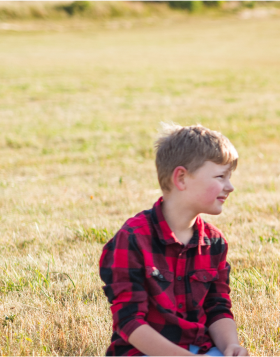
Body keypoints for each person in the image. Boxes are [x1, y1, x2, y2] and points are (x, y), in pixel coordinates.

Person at [98, 124, 249, 357]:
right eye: (221, 176)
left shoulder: (215, 243)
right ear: (181, 177)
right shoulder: (132, 239)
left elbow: (217, 309)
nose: (230, 187)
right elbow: (129, 322)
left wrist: (230, 345)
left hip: (201, 349)